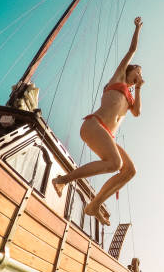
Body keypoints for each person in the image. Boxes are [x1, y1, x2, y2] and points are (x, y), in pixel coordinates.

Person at [52, 17, 144, 226]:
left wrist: (138, 88)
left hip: (107, 135)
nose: (139, 74)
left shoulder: (131, 97)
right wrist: (137, 28)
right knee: (115, 163)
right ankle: (62, 180)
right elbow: (131, 50)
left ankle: (94, 205)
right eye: (137, 72)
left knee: (129, 170)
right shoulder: (119, 78)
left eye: (140, 73)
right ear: (129, 72)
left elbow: (137, 112)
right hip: (94, 125)